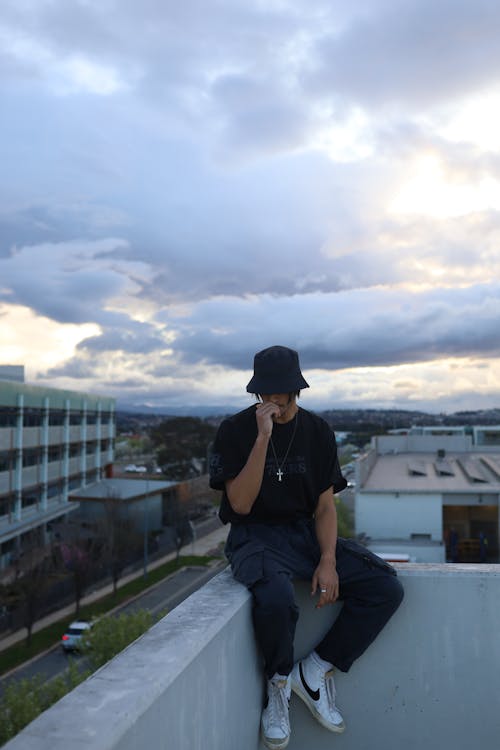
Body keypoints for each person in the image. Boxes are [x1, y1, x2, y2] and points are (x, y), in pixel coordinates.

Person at [209, 346, 404, 749]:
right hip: (255, 535)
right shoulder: (234, 430)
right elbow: (240, 505)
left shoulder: (318, 431)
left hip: (303, 535)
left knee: (384, 588)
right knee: (277, 599)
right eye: (265, 394)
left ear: (297, 391)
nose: (273, 401)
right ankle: (278, 685)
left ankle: (313, 672)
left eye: (281, 393)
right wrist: (262, 439)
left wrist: (329, 560)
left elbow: (325, 506)